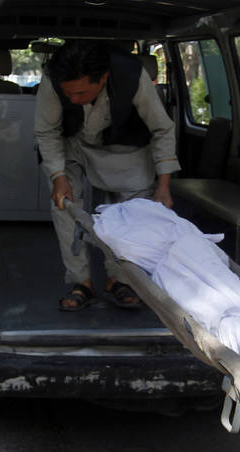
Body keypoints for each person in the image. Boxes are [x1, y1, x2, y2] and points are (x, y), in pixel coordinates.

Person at [34, 39, 180, 311]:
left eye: (80, 93)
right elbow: (47, 131)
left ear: (102, 78)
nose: (72, 100)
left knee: (130, 212)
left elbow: (162, 129)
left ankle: (120, 280)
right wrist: (58, 175)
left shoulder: (132, 75)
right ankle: (81, 282)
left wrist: (163, 186)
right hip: (74, 142)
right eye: (68, 95)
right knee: (65, 207)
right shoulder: (54, 79)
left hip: (124, 146)